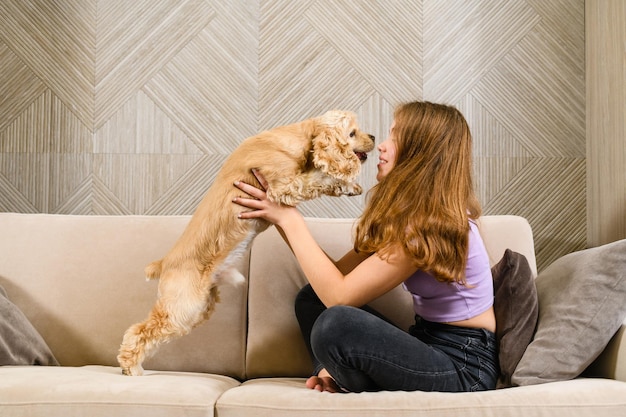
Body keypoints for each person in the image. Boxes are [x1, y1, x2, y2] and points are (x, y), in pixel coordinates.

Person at [232, 101, 498, 393]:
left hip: (464, 365)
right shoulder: (406, 218)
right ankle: (335, 375)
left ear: (419, 153)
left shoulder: (429, 228)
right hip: (428, 341)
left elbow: (339, 297)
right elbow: (332, 280)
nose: (381, 146)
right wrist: (282, 212)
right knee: (312, 299)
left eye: (394, 137)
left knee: (336, 322)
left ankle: (348, 378)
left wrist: (290, 219)